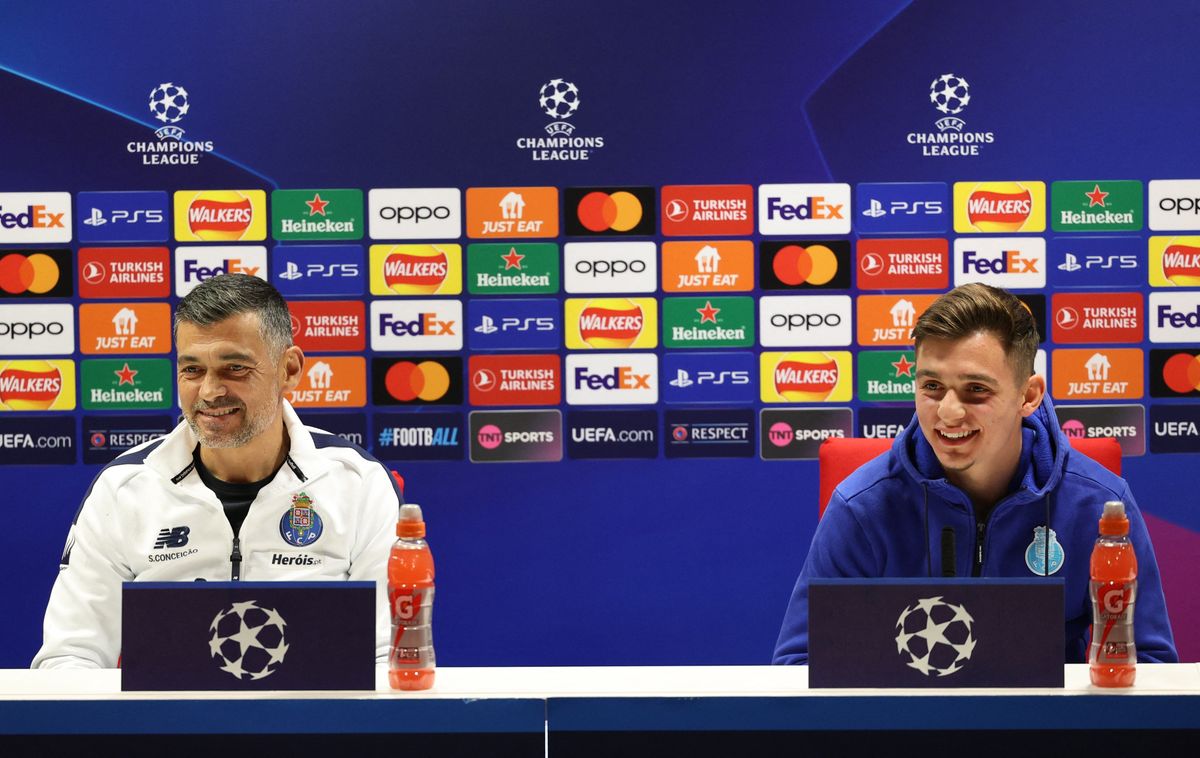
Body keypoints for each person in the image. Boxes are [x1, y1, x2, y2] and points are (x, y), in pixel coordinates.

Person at [773, 283, 1177, 664]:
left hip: (1052, 732)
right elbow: (800, 665)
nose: (948, 412)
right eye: (931, 386)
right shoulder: (862, 506)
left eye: (976, 390)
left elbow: (1149, 666)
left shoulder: (1098, 505)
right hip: (904, 732)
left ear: (1029, 395)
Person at [33, 274, 402, 669]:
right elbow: (71, 656)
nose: (209, 392)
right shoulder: (125, 489)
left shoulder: (357, 483)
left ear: (289, 370)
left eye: (235, 368)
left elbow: (385, 655)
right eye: (192, 370)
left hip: (312, 726)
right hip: (162, 729)